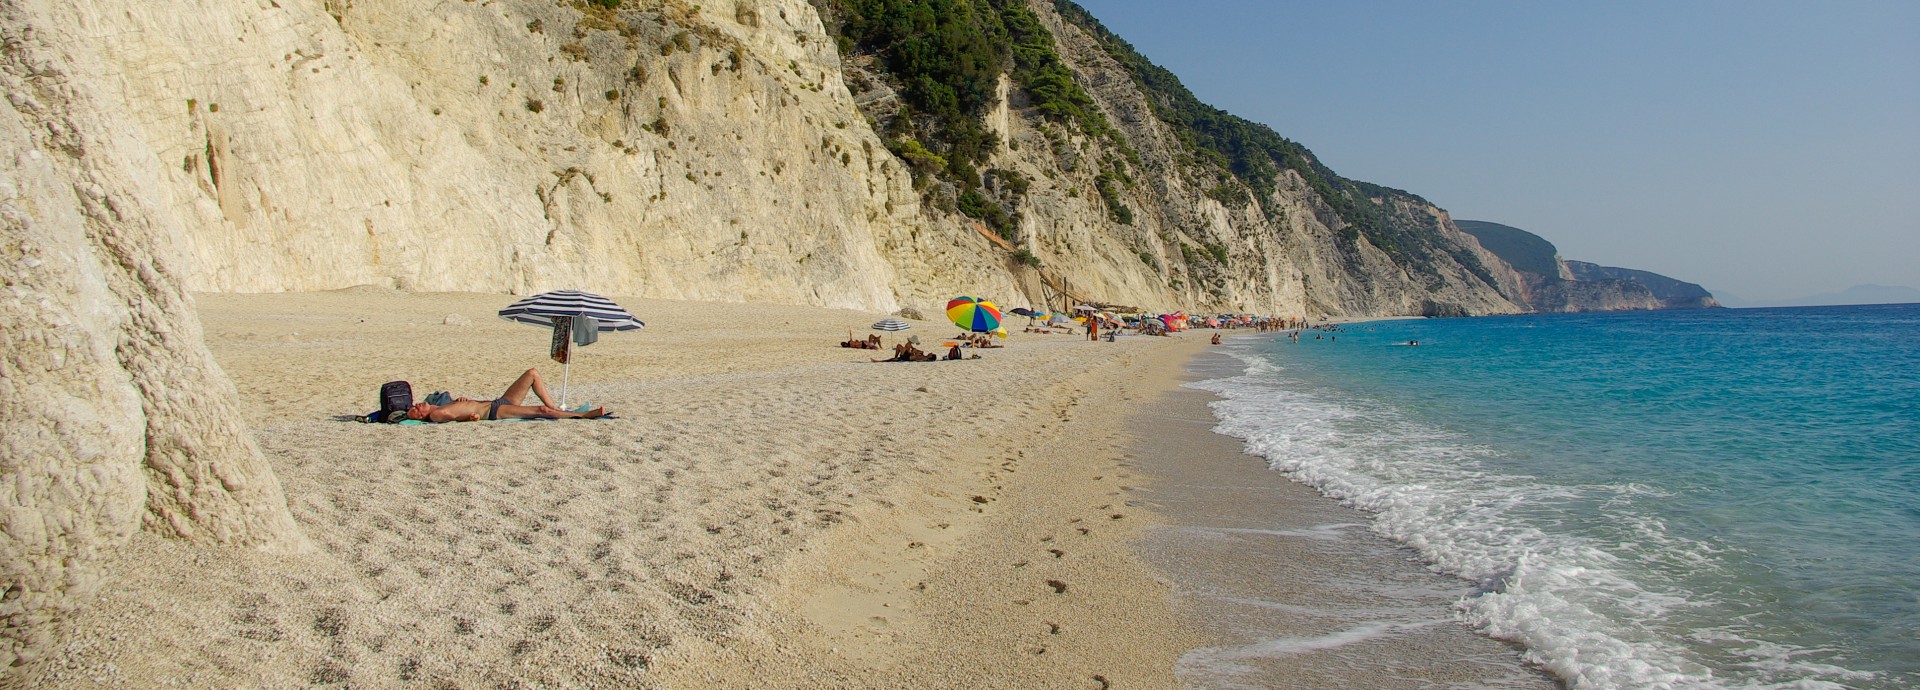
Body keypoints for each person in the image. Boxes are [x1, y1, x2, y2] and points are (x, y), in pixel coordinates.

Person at [405, 368, 606, 422]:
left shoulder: (440, 404)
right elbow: (460, 417)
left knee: (532, 374)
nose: (416, 406)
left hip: (498, 401)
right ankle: (582, 416)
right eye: (414, 410)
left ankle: (554, 407)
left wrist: (460, 401)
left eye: (414, 404)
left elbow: (456, 410)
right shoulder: (437, 415)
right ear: (421, 417)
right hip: (495, 411)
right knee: (540, 411)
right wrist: (470, 416)